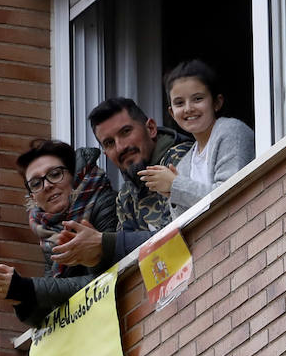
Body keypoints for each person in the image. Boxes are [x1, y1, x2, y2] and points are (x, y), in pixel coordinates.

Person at [0, 139, 118, 328]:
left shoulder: (105, 202)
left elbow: (108, 277)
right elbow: (52, 306)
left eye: (55, 174)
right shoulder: (49, 235)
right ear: (32, 197)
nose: (47, 186)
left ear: (75, 175)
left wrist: (28, 289)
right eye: (36, 183)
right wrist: (19, 298)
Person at [62, 97, 193, 271]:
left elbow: (180, 237)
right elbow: (130, 267)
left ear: (151, 129)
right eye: (109, 143)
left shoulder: (183, 159)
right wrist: (95, 259)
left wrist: (105, 243)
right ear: (106, 154)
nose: (120, 147)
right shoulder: (125, 197)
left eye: (126, 132)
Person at [137, 60, 255, 218]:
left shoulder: (231, 131)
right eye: (179, 103)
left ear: (217, 102)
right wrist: (170, 192)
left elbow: (229, 197)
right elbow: (188, 225)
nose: (188, 108)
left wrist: (175, 185)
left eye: (198, 99)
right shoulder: (185, 163)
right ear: (172, 113)